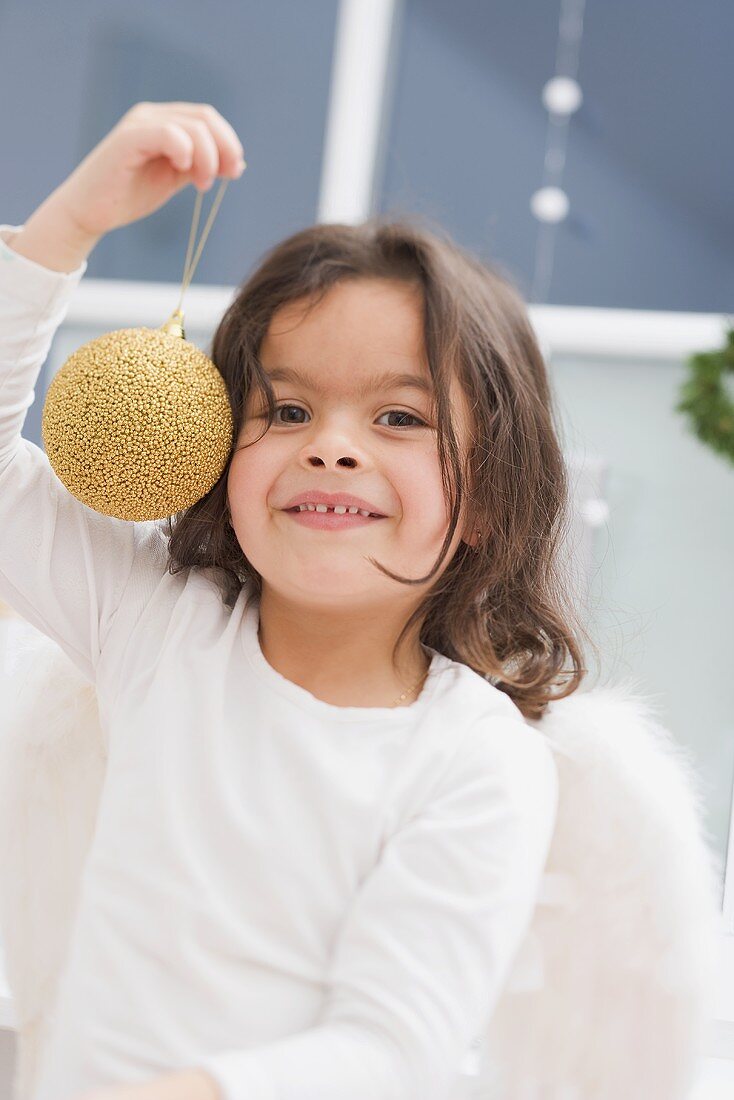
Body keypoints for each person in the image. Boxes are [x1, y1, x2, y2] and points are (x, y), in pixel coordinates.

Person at [0, 101, 589, 1100]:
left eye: (397, 414)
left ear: (488, 497)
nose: (332, 443)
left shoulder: (475, 759)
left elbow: (392, 1043)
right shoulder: (158, 618)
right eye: (285, 408)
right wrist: (67, 227)